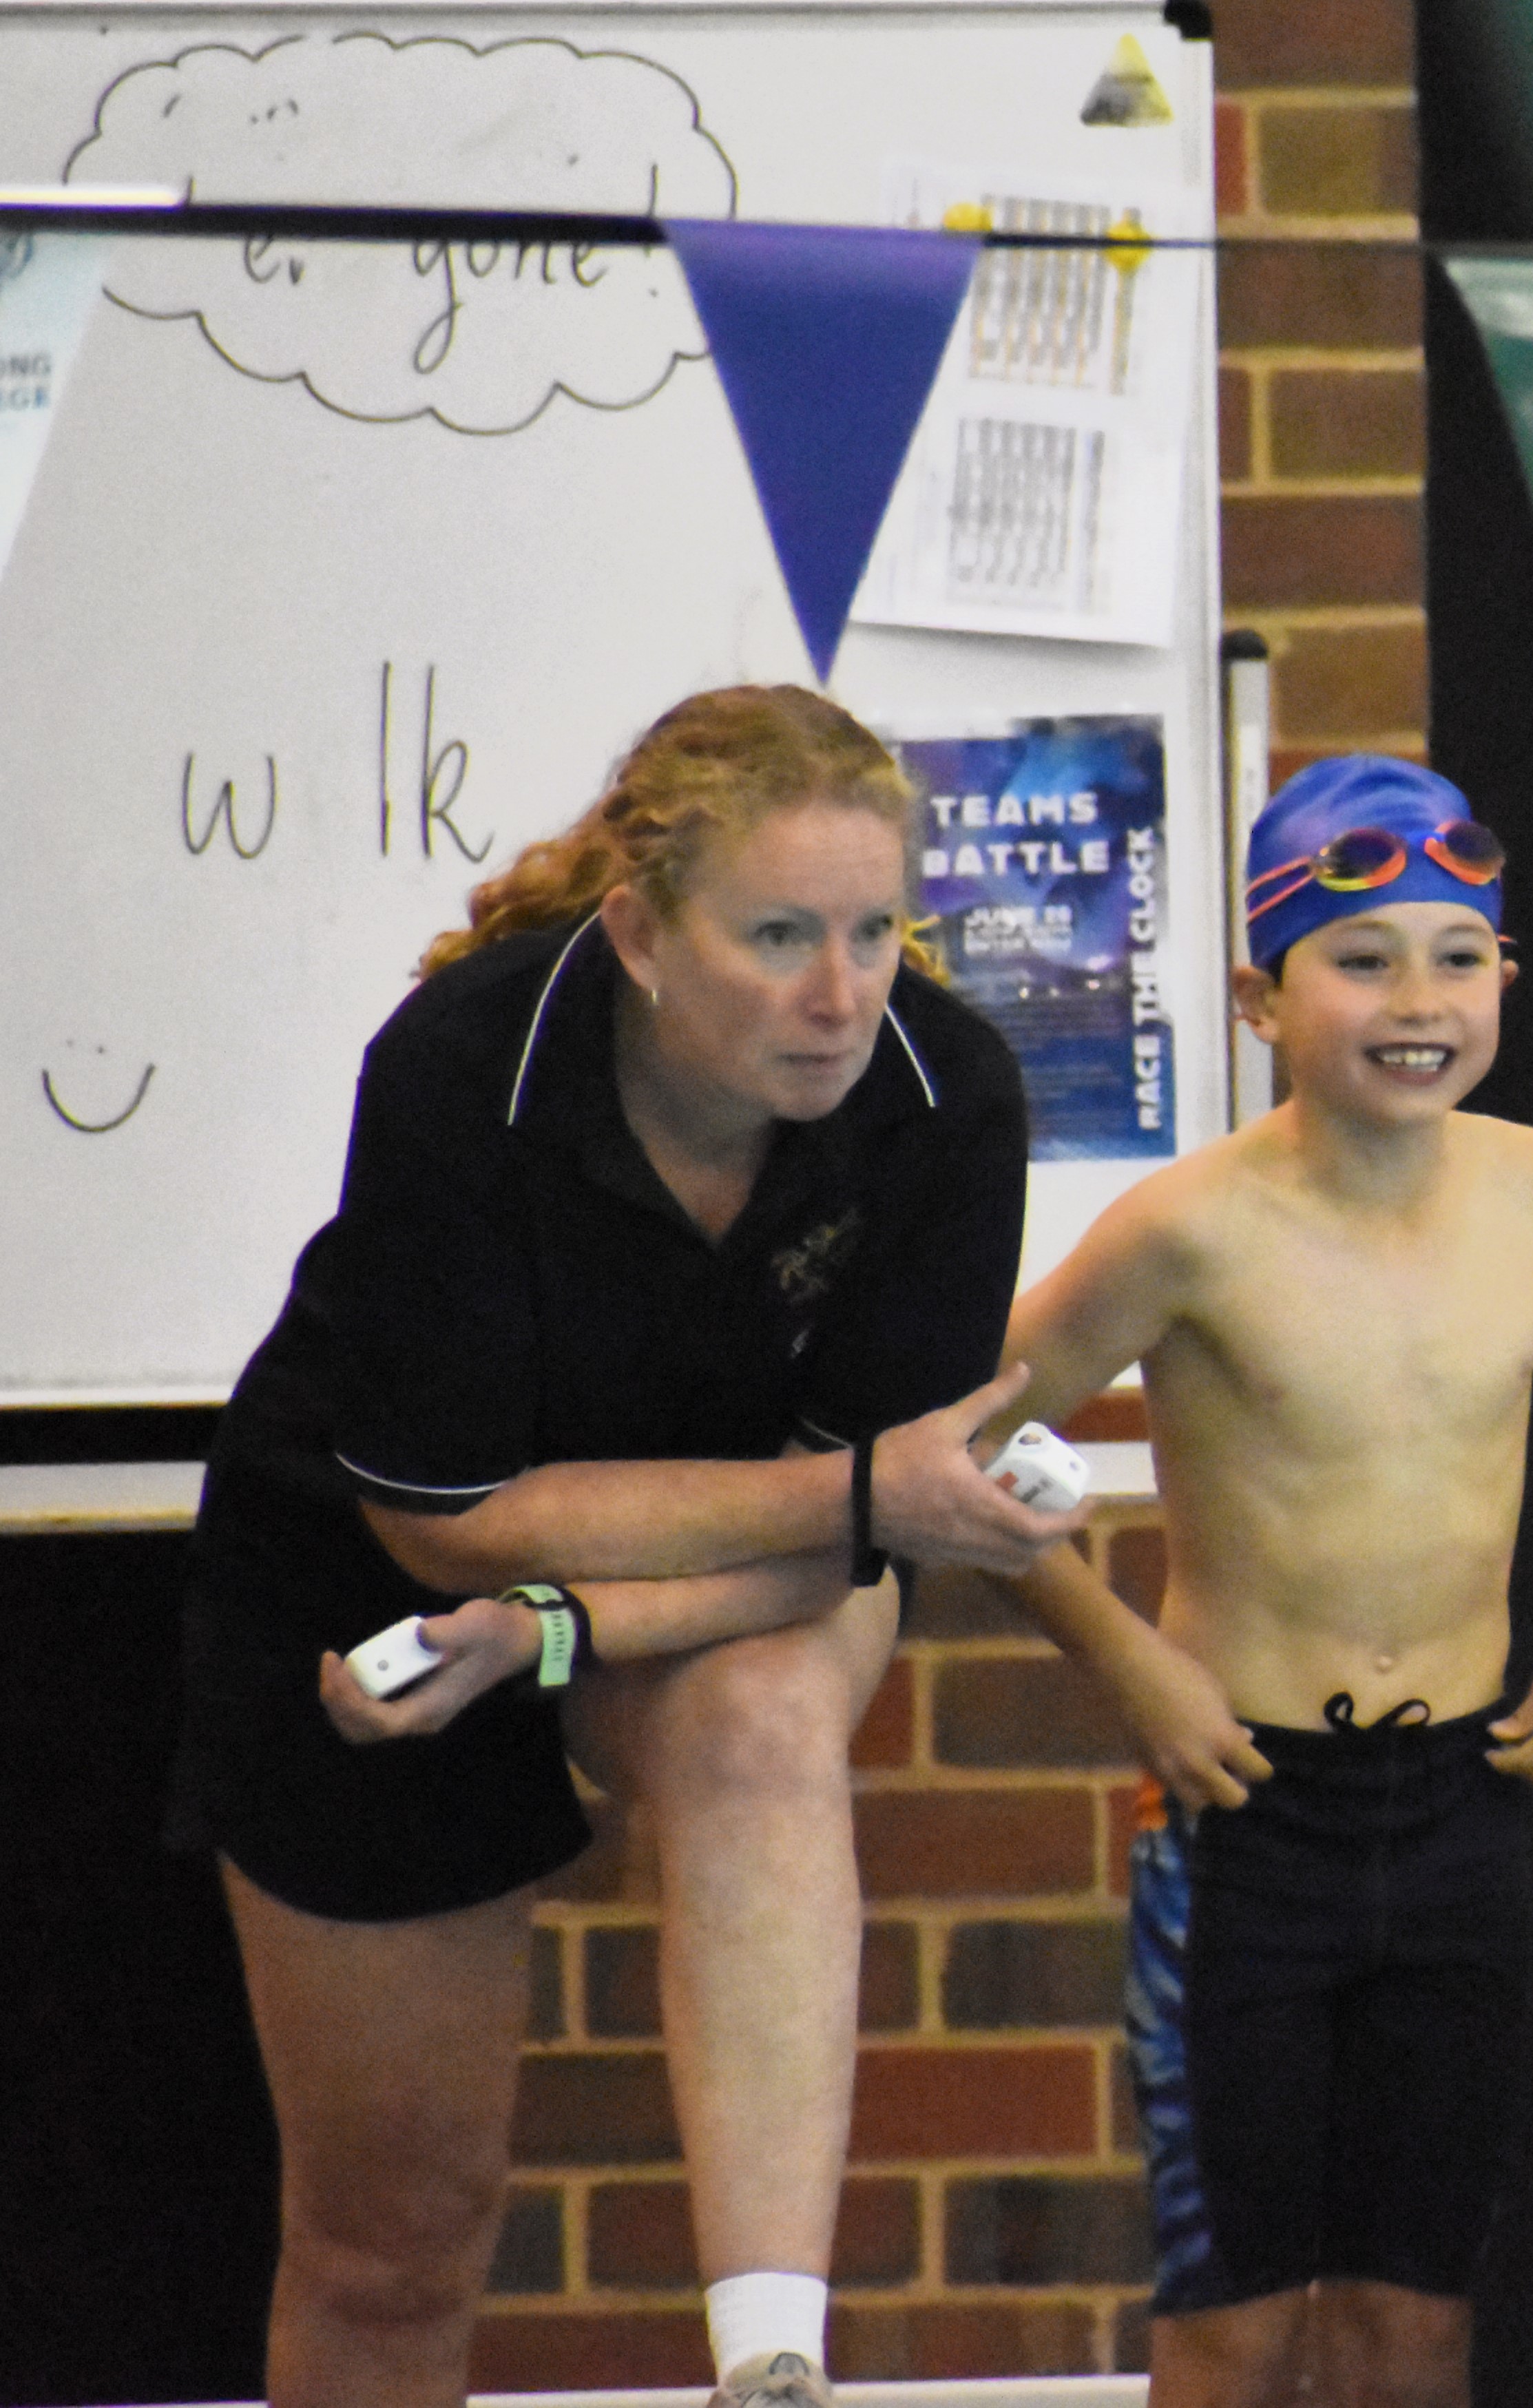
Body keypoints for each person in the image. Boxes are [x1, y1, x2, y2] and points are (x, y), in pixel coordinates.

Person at [173, 686, 1083, 2408]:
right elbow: (442, 1519)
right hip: (362, 1576)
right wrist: (864, 1495)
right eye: (779, 935)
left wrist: (563, 1629)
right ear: (644, 938)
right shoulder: (461, 1063)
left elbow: (836, 1557)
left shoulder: (943, 1099)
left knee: (759, 1725)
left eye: (878, 929)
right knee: (394, 2239)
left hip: (724, 1583)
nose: (842, 992)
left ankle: (771, 2363)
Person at [991, 754, 1533, 2408]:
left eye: (1457, 957)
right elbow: (957, 1455)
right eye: (1361, 959)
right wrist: (1124, 1656)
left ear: (1504, 979)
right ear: (1259, 995)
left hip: (1464, 1805)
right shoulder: (1188, 1232)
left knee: (1411, 2324)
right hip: (1247, 1816)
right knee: (1237, 2324)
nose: (1417, 1001)